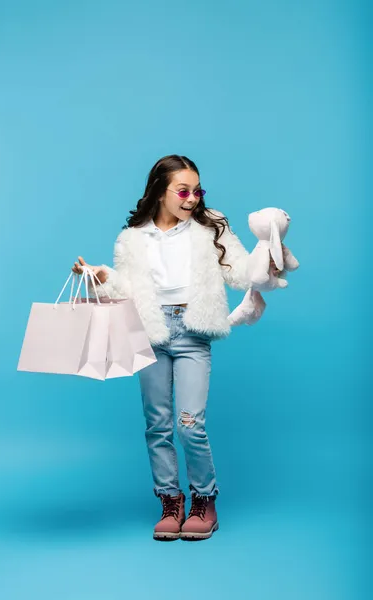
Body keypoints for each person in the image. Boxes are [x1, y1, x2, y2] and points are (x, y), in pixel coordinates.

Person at [72, 154, 282, 542]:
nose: (192, 199)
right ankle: (171, 500)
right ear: (159, 191)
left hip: (192, 330)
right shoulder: (132, 237)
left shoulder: (211, 226)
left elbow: (240, 273)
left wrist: (268, 259)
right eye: (183, 191)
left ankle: (205, 499)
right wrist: (100, 277)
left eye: (197, 190)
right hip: (149, 331)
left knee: (190, 424)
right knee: (157, 426)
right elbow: (128, 290)